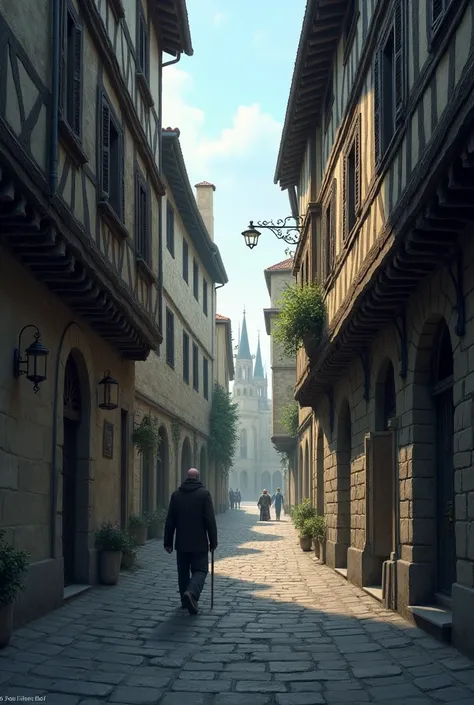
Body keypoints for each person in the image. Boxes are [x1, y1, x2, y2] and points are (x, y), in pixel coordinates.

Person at [164, 468, 218, 615]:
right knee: (200, 570)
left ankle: (184, 600)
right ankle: (191, 592)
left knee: (183, 572)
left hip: (181, 542)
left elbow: (170, 521)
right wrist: (213, 541)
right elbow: (210, 520)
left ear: (186, 477)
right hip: (199, 542)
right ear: (198, 477)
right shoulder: (204, 494)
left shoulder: (176, 495)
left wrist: (167, 542)